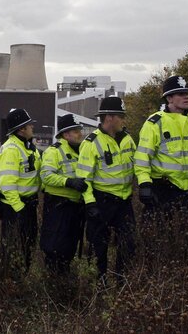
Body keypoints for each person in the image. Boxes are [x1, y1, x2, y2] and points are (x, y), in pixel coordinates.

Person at [76, 97, 137, 285]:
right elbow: (83, 178)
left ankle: (122, 281)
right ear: (109, 118)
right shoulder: (91, 143)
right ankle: (98, 284)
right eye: (121, 116)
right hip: (102, 201)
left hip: (124, 201)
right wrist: (90, 204)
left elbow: (137, 165)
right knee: (97, 247)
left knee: (129, 243)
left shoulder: (127, 139)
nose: (123, 120)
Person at [135, 75, 188, 217]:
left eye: (187, 94)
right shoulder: (155, 123)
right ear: (169, 99)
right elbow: (142, 156)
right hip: (164, 189)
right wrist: (144, 184)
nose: (186, 97)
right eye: (181, 94)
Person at [39, 114, 88, 284]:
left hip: (75, 207)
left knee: (69, 247)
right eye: (76, 131)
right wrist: (68, 182)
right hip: (58, 207)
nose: (79, 134)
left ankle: (64, 280)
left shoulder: (82, 151)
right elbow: (46, 176)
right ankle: (52, 281)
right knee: (54, 247)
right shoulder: (55, 152)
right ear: (65, 134)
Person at [0, 108, 42, 279]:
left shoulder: (29, 147)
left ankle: (20, 280)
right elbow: (7, 184)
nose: (32, 127)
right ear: (22, 129)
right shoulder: (11, 149)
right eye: (30, 125)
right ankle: (7, 285)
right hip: (16, 208)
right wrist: (19, 209)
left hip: (28, 205)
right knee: (12, 249)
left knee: (27, 246)